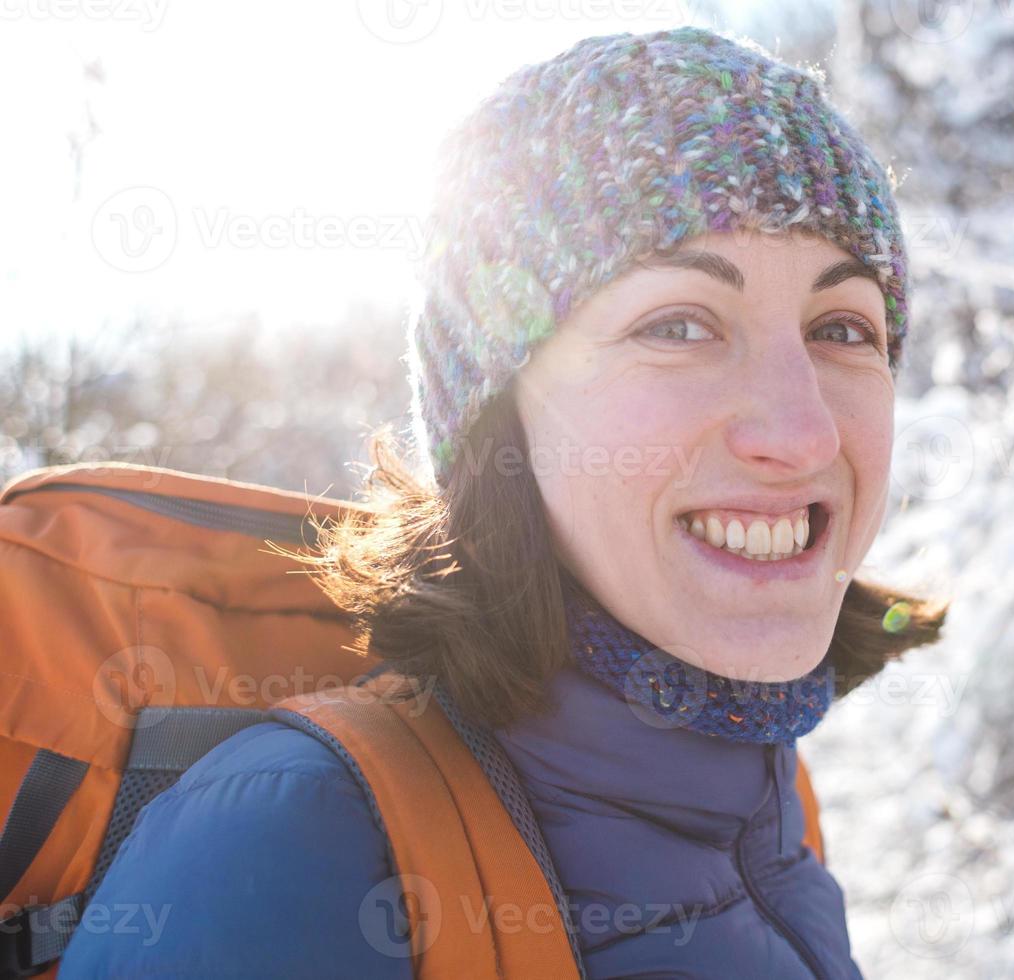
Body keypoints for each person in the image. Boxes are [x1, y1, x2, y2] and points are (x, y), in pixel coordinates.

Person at [57, 24, 947, 978]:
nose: (803, 431)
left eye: (842, 327)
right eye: (680, 324)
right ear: (500, 412)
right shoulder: (293, 848)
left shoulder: (773, 804)